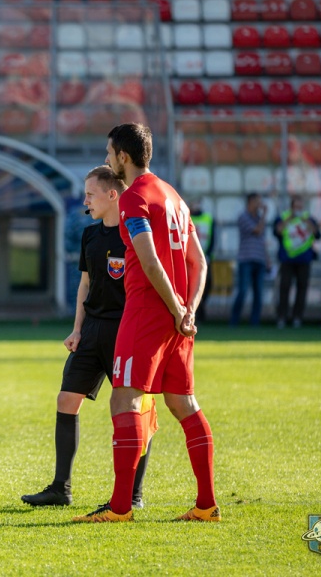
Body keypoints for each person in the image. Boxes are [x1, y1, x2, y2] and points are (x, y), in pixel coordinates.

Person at [74, 123, 218, 523]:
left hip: (147, 314)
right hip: (178, 319)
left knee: (124, 400)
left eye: (109, 153)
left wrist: (174, 308)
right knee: (183, 403)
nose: (107, 160)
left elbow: (149, 260)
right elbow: (199, 262)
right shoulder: (174, 196)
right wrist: (189, 310)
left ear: (123, 156)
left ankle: (121, 507)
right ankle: (206, 505)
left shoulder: (134, 198)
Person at [21, 166, 156, 510]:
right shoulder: (90, 236)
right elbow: (85, 284)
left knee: (135, 408)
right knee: (66, 400)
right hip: (92, 329)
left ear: (112, 195)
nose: (85, 201)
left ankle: (133, 494)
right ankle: (60, 489)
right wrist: (77, 329)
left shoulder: (136, 234)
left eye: (90, 195)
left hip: (126, 330)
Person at [273, 195, 321, 329]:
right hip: (287, 259)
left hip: (304, 259)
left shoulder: (309, 219)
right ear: (291, 207)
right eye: (296, 207)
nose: (298, 209)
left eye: (300, 207)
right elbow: (277, 232)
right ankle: (282, 317)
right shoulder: (283, 218)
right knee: (284, 288)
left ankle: (297, 317)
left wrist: (307, 222)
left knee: (302, 288)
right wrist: (289, 219)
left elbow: (317, 235)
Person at [230, 193, 270, 326]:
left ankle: (255, 322)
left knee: (258, 293)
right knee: (243, 291)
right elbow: (257, 230)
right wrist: (264, 215)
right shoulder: (243, 217)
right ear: (251, 201)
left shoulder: (258, 218)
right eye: (257, 201)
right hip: (246, 259)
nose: (260, 204)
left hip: (260, 259)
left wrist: (267, 259)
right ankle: (234, 321)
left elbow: (263, 241)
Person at [189, 199, 215, 322]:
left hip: (205, 258)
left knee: (207, 284)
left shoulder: (208, 218)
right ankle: (195, 312)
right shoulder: (186, 216)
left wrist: (208, 255)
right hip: (190, 259)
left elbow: (213, 238)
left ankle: (201, 309)